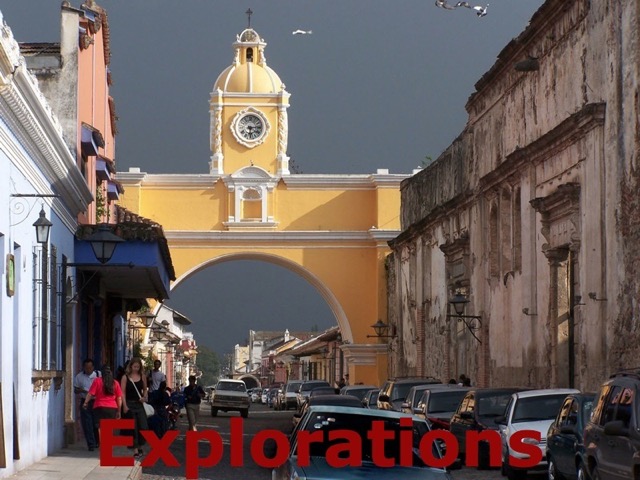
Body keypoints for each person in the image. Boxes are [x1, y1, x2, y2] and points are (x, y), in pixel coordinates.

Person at [83, 366, 122, 448]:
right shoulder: (115, 383)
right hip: (112, 408)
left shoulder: (97, 381)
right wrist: (119, 410)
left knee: (100, 427)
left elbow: (90, 394)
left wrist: (85, 402)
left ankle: (102, 443)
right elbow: (119, 398)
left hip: (99, 407)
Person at [121, 357, 149, 458]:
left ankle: (140, 444)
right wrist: (124, 406)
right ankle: (136, 449)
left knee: (143, 426)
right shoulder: (125, 377)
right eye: (134, 366)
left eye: (138, 367)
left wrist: (144, 397)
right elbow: (122, 393)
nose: (136, 368)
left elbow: (145, 389)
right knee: (133, 428)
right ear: (131, 366)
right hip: (129, 404)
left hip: (139, 404)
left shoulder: (143, 376)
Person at [74, 358, 100, 451]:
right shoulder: (79, 377)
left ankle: (97, 441)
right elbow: (75, 390)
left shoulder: (98, 375)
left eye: (90, 368)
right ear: (83, 367)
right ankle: (91, 444)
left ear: (93, 367)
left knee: (96, 423)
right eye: (86, 368)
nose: (88, 370)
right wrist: (81, 390)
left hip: (97, 401)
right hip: (85, 401)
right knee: (87, 423)